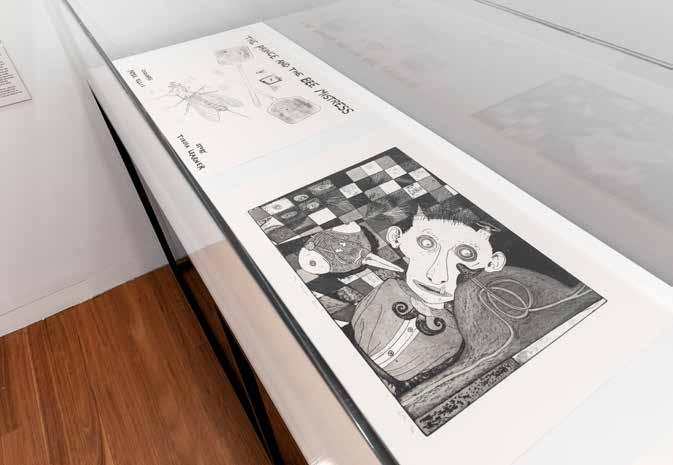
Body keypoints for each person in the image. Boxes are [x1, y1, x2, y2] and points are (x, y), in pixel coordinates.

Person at [351, 196, 601, 395]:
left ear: (493, 263)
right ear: (397, 238)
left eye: (466, 254)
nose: (437, 275)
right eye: (427, 244)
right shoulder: (383, 290)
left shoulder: (461, 330)